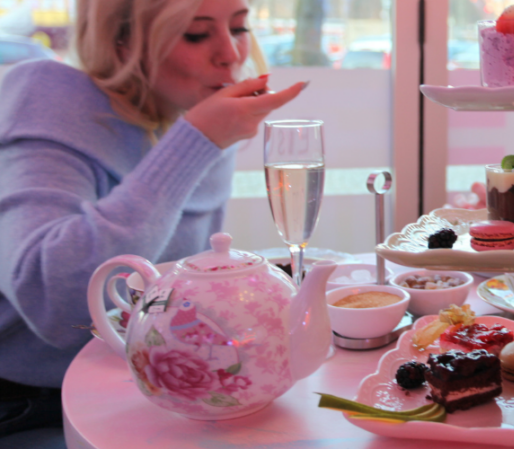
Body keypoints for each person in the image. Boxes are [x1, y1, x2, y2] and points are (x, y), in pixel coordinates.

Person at [0, 0, 304, 446]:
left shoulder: (193, 114)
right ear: (121, 40)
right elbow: (54, 302)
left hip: (139, 385)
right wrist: (195, 142)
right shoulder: (49, 96)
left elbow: (171, 293)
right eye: (196, 34)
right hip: (30, 405)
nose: (230, 54)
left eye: (239, 28)